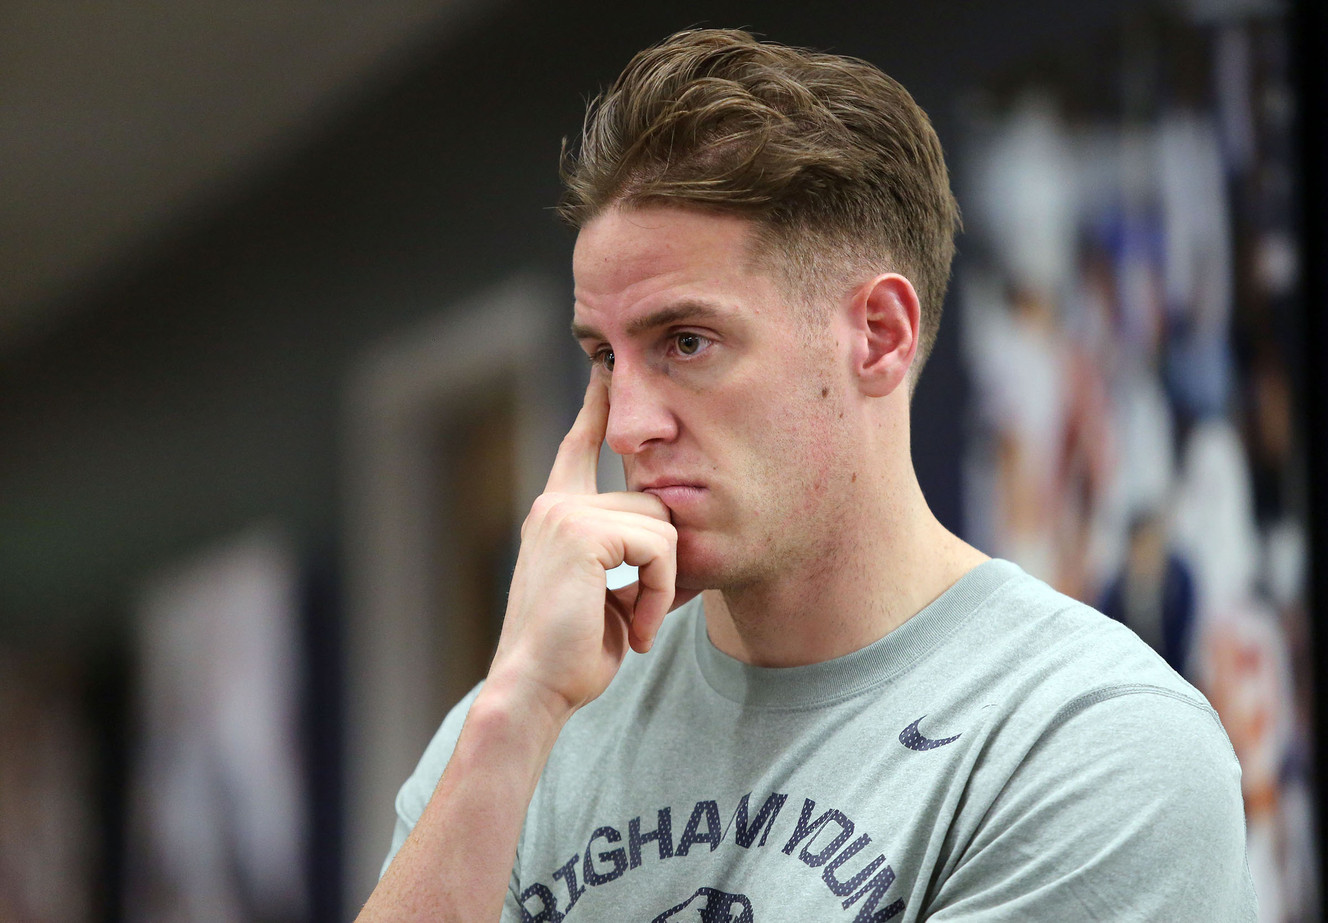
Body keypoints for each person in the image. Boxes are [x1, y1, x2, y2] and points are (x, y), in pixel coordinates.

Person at [359, 28, 1256, 922]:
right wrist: (514, 707)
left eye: (687, 342)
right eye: (605, 355)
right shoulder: (525, 723)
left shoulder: (1092, 740)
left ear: (879, 336)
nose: (627, 426)